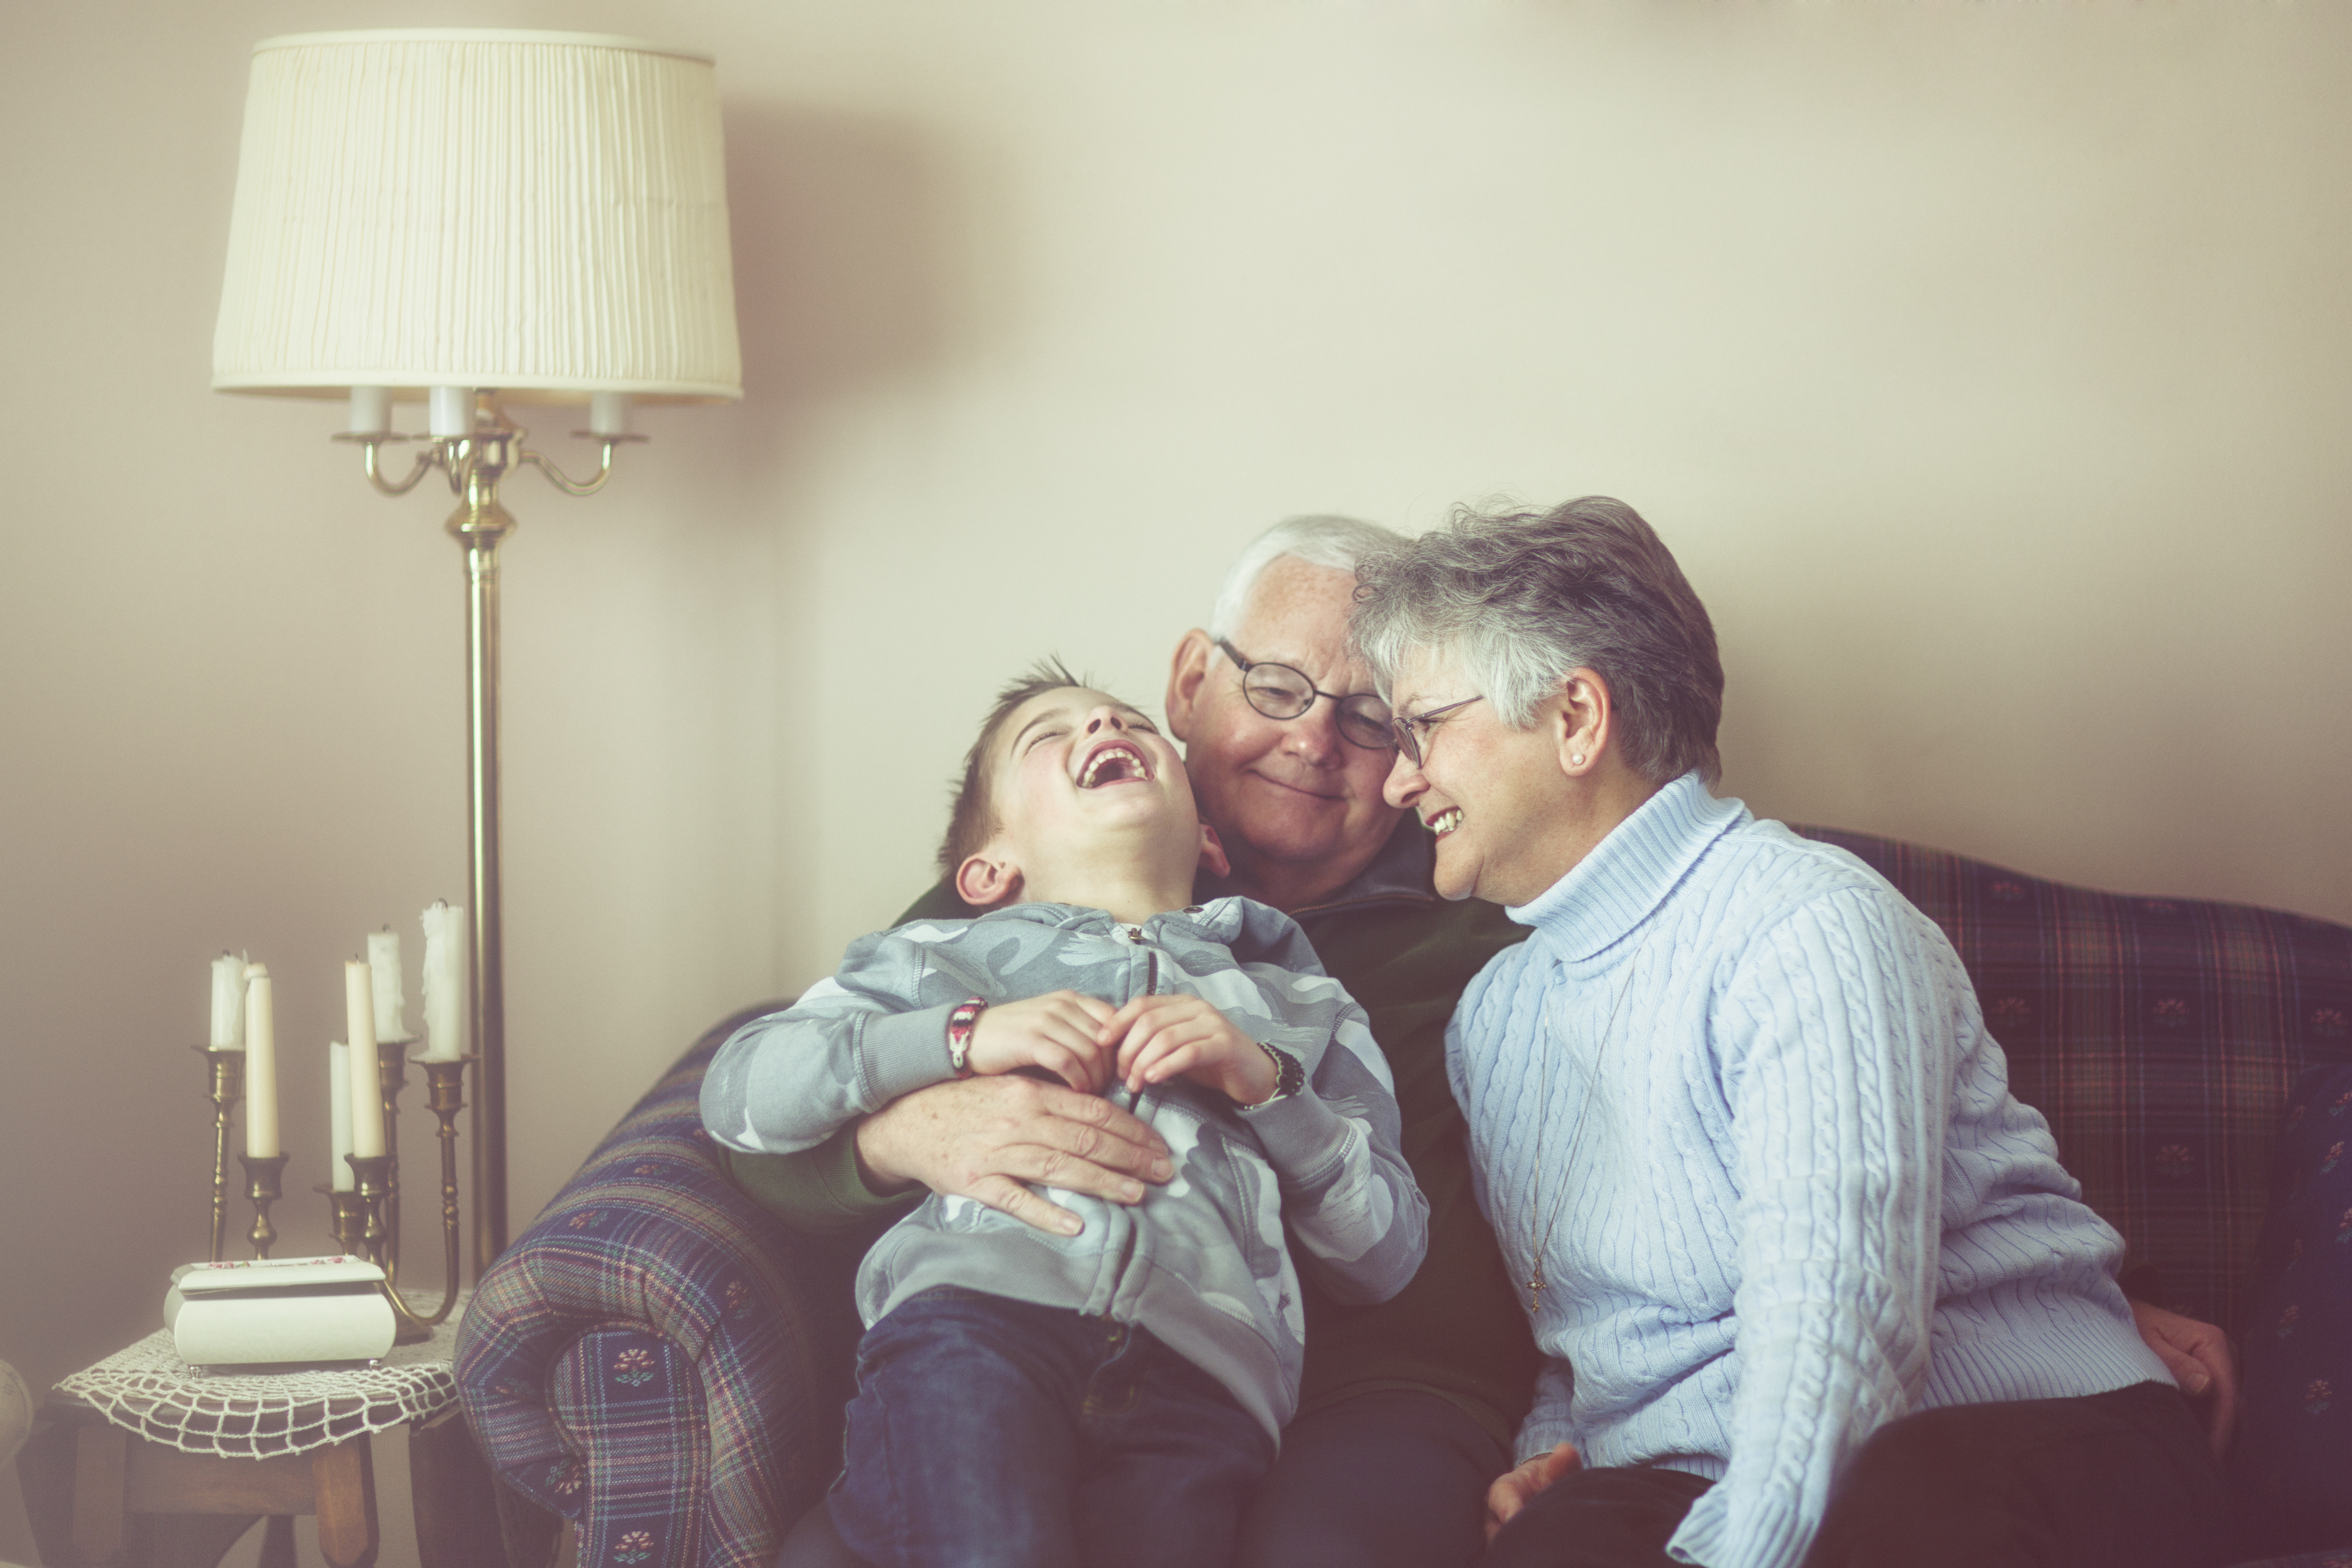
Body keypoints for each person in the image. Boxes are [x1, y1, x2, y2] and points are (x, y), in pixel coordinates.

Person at [733, 514, 2238, 1568]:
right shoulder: (1031, 879)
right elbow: (766, 1091)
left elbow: (1840, 1260)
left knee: (1900, 1501)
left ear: (1573, 720)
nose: (1369, 766)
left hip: (1789, 1438)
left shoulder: (1626, 936)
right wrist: (904, 1123)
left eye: (1400, 723)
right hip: (1071, 1332)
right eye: (1277, 691)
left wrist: (2089, 1283)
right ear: (1191, 684)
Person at [1353, 497, 2236, 1568]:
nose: (1400, 778)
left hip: (2019, 1428)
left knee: (1902, 1513)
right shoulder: (1495, 1018)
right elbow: (1577, 1330)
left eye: (1424, 728)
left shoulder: (1804, 920)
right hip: (1705, 1470)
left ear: (1578, 717)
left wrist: (1737, 1552)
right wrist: (1555, 1457)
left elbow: (1840, 1318)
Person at [701, 663, 1429, 1568]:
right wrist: (960, 1036)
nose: (1100, 728)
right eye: (1051, 733)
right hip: (977, 1320)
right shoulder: (933, 960)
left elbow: (1383, 1256)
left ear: (1209, 839)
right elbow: (741, 1092)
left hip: (1204, 1385)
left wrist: (1267, 1082)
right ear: (988, 869)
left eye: (1126, 720)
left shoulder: (1304, 1002)